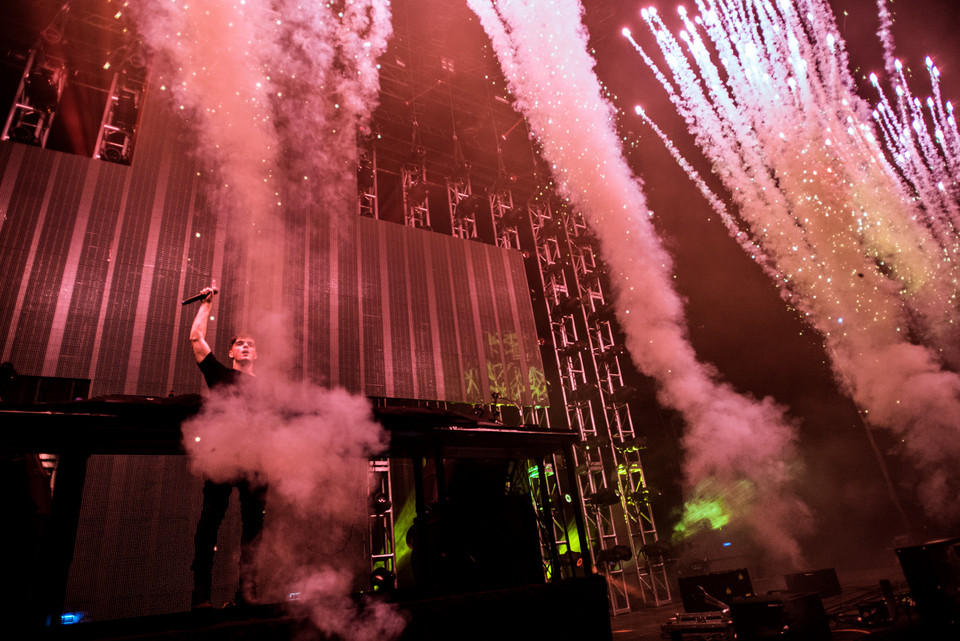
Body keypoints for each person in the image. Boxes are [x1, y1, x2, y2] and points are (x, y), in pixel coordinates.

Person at [188, 282, 266, 609]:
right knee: (209, 525)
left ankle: (246, 596)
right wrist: (206, 304)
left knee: (254, 531)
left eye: (250, 344)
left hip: (254, 462)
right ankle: (201, 598)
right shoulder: (219, 374)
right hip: (222, 458)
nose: (245, 346)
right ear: (232, 352)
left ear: (256, 354)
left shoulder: (267, 390)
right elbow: (196, 339)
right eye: (240, 344)